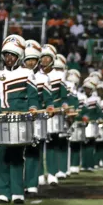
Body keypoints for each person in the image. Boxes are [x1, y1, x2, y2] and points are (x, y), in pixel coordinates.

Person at [0, 34, 39, 204]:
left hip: (20, 117)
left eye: (12, 55)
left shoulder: (27, 73)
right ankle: (4, 192)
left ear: (19, 56)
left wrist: (33, 108)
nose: (8, 58)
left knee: (17, 155)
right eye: (6, 55)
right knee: (3, 156)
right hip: (2, 118)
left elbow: (33, 96)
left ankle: (18, 192)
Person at [22, 40, 52, 194]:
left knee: (33, 151)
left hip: (37, 119)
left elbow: (49, 99)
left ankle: (32, 183)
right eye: (28, 59)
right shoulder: (18, 75)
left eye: (33, 59)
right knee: (18, 152)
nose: (31, 62)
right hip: (19, 118)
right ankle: (19, 184)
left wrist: (50, 107)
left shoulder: (43, 78)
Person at [40, 45, 67, 183]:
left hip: (54, 113)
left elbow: (64, 95)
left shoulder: (59, 75)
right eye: (42, 57)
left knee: (52, 143)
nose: (44, 60)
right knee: (36, 144)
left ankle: (52, 173)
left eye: (47, 57)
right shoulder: (34, 74)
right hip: (38, 113)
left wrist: (64, 104)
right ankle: (38, 174)